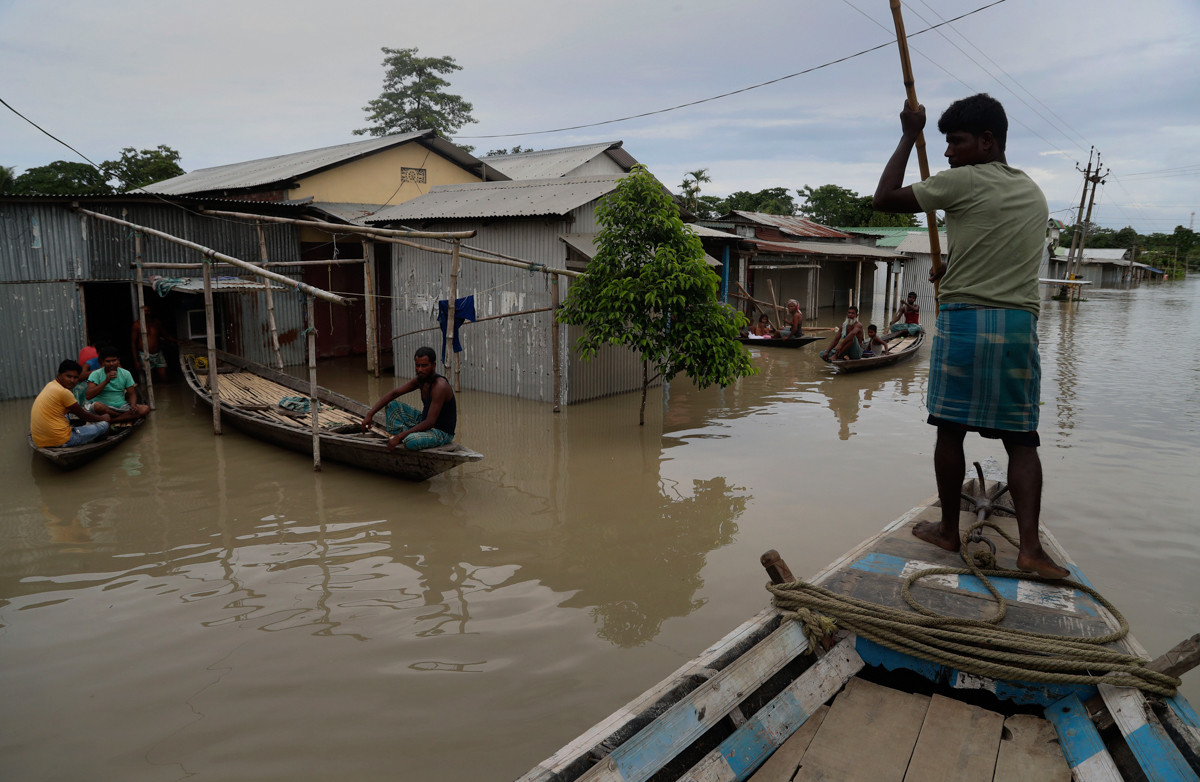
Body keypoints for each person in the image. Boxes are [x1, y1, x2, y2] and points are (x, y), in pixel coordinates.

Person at [873, 93, 1068, 579]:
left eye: (954, 142)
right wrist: (952, 267)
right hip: (1017, 326)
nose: (946, 153)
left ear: (987, 141)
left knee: (949, 429)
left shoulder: (962, 180)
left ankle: (947, 530)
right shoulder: (1033, 192)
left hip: (964, 321)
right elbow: (991, 248)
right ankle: (1029, 549)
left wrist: (908, 132)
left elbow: (884, 199)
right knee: (1022, 441)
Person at [361, 346, 457, 452]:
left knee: (410, 441)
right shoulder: (421, 379)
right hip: (424, 421)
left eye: (424, 366)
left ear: (433, 365)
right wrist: (370, 414)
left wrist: (399, 437)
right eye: (417, 365)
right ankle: (409, 434)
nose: (420, 369)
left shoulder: (439, 386)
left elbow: (430, 422)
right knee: (392, 405)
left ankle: (406, 435)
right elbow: (394, 393)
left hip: (441, 432)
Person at [30, 359, 111, 448]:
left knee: (68, 416)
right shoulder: (64, 392)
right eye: (68, 376)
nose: (72, 380)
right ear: (59, 375)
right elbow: (82, 415)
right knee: (104, 425)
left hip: (39, 440)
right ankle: (98, 443)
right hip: (63, 439)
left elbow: (75, 412)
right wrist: (102, 418)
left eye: (76, 377)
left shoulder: (50, 385)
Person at [84, 347, 150, 423]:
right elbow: (88, 395)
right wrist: (106, 381)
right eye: (108, 361)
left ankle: (111, 420)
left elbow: (132, 394)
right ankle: (122, 417)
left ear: (118, 360)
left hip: (121, 407)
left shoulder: (126, 373)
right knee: (97, 406)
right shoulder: (95, 374)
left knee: (145, 409)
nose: (111, 364)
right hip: (103, 408)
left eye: (114, 360)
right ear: (102, 362)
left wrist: (133, 405)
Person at [131, 306, 168, 382]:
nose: (146, 313)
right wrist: (136, 361)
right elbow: (133, 343)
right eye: (144, 311)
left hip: (158, 353)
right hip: (144, 354)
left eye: (148, 311)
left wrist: (177, 341)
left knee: (164, 378)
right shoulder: (137, 325)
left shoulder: (156, 323)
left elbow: (165, 335)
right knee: (150, 380)